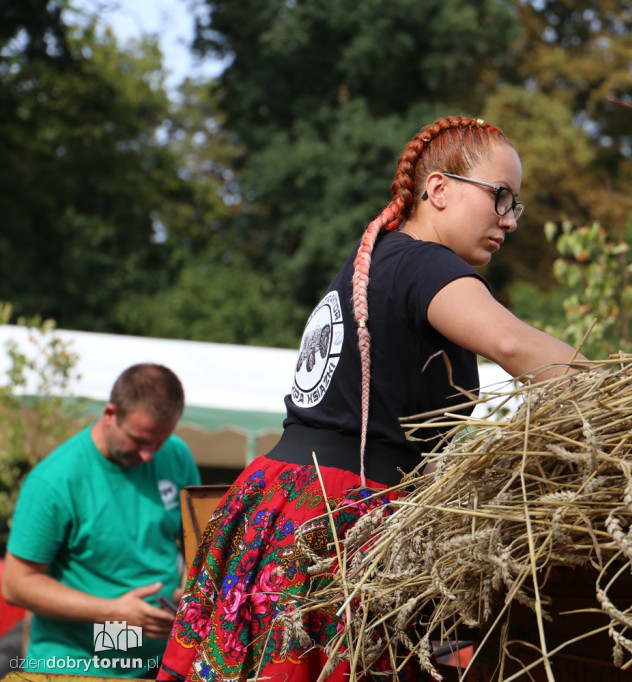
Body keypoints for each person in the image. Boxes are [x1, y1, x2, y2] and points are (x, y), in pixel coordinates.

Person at [156, 115, 590, 682]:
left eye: (516, 205)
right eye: (500, 197)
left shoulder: (380, 258)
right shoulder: (423, 262)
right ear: (438, 189)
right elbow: (514, 344)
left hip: (281, 501)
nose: (509, 220)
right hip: (335, 518)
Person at [2, 363, 200, 678]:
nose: (149, 455)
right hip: (75, 664)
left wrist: (191, 588)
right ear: (110, 414)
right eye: (138, 440)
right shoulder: (54, 480)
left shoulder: (176, 455)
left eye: (158, 442)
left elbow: (196, 544)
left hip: (158, 663)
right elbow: (15, 584)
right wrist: (113, 613)